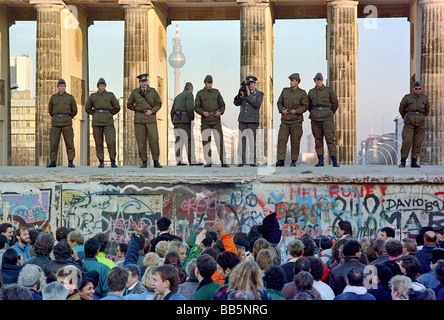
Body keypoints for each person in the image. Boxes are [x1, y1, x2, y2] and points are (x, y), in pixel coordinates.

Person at [127, 73, 163, 168]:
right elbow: (129, 104)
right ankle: (144, 161)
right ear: (139, 82)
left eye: (145, 81)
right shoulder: (135, 92)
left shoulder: (153, 92)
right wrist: (137, 110)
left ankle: (156, 160)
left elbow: (158, 103)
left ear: (147, 81)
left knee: (154, 140)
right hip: (139, 119)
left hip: (150, 119)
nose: (144, 83)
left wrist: (152, 111)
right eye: (142, 81)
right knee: (141, 141)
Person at [194, 74, 229, 168]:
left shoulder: (216, 92)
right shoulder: (200, 93)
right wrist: (202, 112)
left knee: (219, 141)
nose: (209, 85)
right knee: (206, 141)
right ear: (204, 83)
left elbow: (222, 104)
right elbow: (196, 107)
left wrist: (220, 112)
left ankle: (223, 161)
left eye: (211, 83)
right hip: (205, 121)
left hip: (216, 120)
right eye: (208, 83)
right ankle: (208, 161)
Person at [85, 77, 120, 168]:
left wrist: (109, 114)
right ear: (98, 86)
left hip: (108, 121)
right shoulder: (93, 96)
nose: (102, 87)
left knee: (111, 141)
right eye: (101, 85)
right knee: (98, 142)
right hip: (97, 122)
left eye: (104, 85)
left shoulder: (110, 95)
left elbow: (117, 107)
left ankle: (113, 160)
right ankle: (101, 161)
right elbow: (87, 108)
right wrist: (95, 114)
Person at [275, 73, 308, 167]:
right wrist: (282, 110)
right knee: (281, 140)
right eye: (290, 80)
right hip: (285, 120)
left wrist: (296, 111)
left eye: (293, 81)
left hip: (296, 121)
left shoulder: (302, 93)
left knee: (295, 142)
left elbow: (305, 106)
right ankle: (280, 160)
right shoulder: (285, 91)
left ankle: (294, 160)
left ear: (297, 82)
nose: (291, 82)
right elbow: (279, 102)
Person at [307, 72, 340, 167]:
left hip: (327, 118)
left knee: (330, 139)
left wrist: (329, 113)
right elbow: (309, 105)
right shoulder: (311, 92)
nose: (319, 81)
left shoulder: (328, 90)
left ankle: (334, 160)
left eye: (320, 80)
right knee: (318, 139)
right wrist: (315, 113)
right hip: (315, 118)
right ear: (315, 81)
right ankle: (320, 160)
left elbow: (335, 104)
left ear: (322, 80)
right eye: (317, 80)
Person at [46, 78, 77, 168]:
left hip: (66, 122)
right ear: (58, 87)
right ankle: (53, 161)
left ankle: (70, 161)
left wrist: (67, 117)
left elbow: (74, 110)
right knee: (53, 143)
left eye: (64, 86)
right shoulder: (53, 97)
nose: (62, 88)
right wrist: (56, 117)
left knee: (69, 143)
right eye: (60, 86)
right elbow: (50, 110)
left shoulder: (70, 98)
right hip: (56, 123)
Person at [398, 80, 430, 168]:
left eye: (419, 89)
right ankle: (403, 160)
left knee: (418, 142)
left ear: (421, 89)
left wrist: (421, 118)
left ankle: (414, 161)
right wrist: (407, 117)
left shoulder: (424, 98)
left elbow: (427, 110)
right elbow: (401, 109)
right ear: (413, 89)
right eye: (416, 89)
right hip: (409, 123)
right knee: (407, 141)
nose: (418, 90)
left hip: (420, 123)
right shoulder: (407, 98)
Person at [233, 75, 264, 167]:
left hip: (252, 121)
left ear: (255, 84)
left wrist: (249, 95)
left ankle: (252, 161)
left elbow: (257, 104)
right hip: (242, 120)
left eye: (251, 83)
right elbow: (236, 103)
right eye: (248, 84)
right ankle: (241, 161)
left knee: (252, 141)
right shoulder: (243, 93)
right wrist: (240, 94)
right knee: (241, 141)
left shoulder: (259, 93)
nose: (250, 85)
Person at [171, 81, 201, 166]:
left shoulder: (177, 97)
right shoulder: (189, 95)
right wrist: (192, 119)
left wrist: (174, 122)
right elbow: (190, 107)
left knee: (178, 141)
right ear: (191, 89)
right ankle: (192, 160)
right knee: (189, 141)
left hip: (176, 121)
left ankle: (179, 160)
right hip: (185, 122)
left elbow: (172, 111)